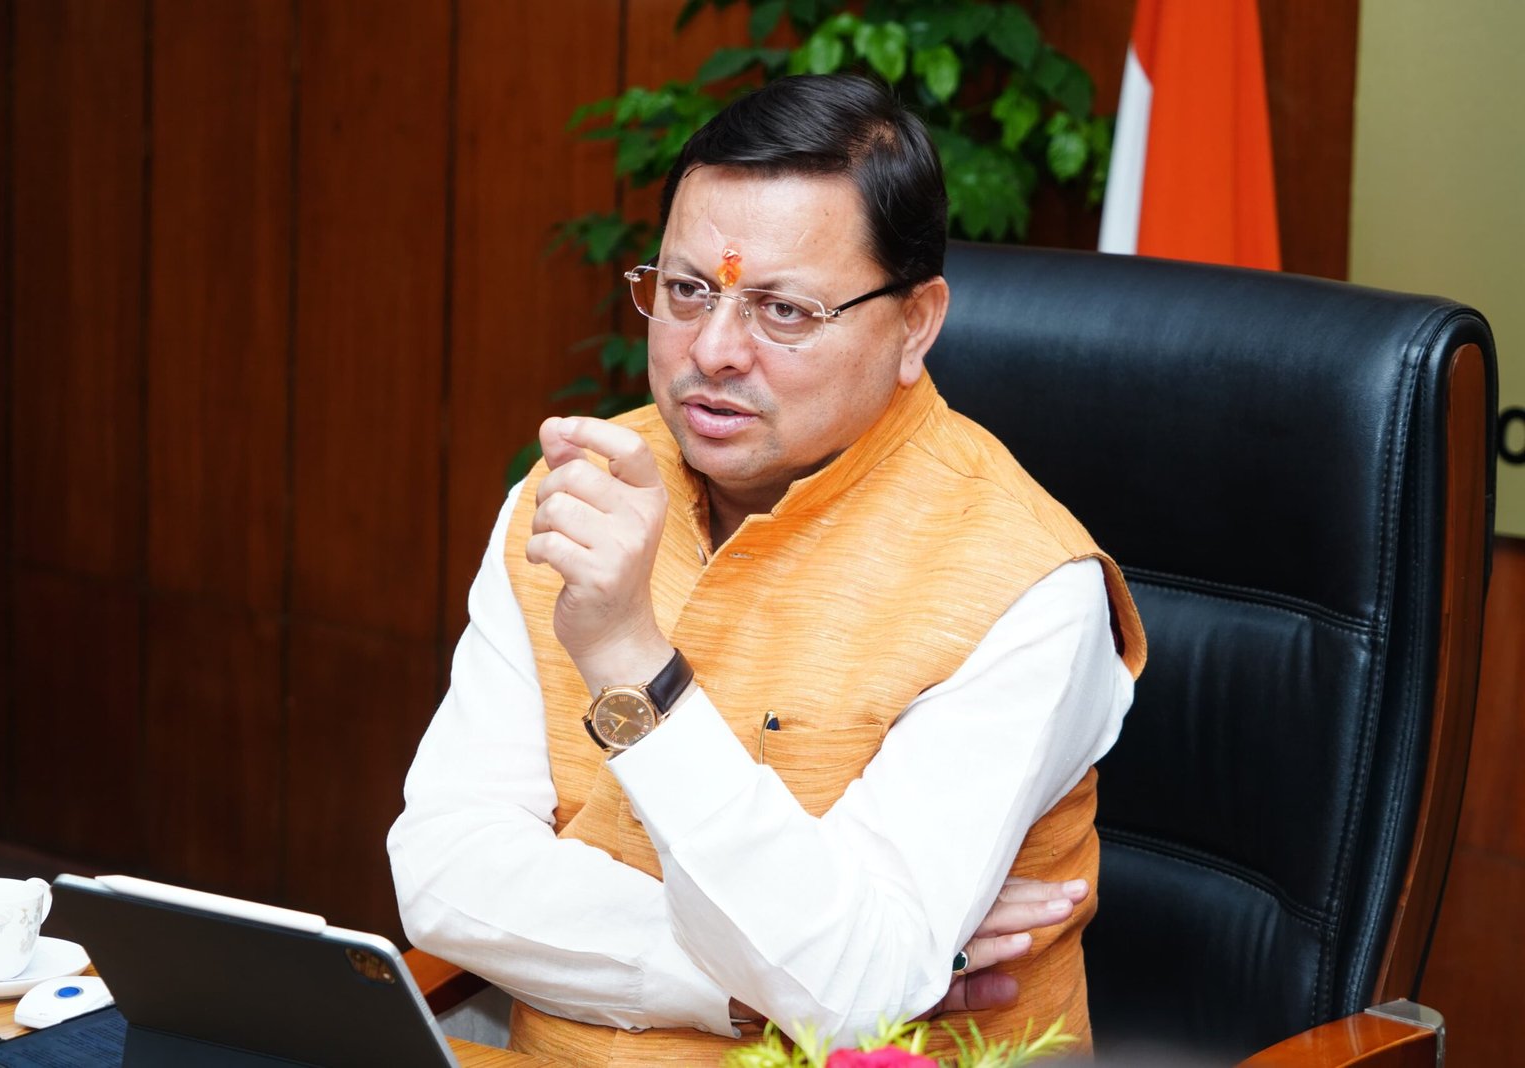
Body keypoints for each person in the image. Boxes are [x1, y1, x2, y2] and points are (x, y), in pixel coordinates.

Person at [389, 74, 1146, 1065]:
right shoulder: (582, 489)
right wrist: (748, 986)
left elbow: (850, 997)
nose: (712, 350)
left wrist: (629, 661)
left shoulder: (1028, 587)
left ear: (915, 324)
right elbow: (442, 874)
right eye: (687, 290)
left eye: (783, 310)